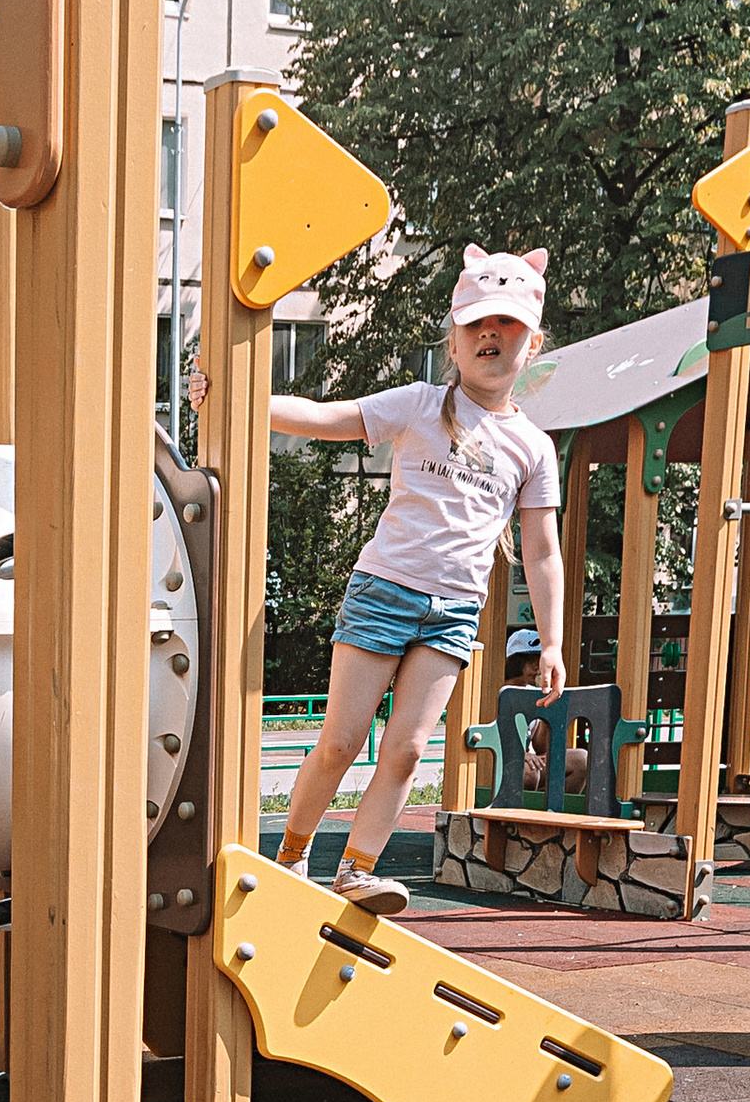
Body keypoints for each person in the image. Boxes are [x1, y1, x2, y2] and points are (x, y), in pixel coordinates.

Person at [216, 246, 565, 914]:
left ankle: (357, 870)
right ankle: (291, 855)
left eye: (509, 325)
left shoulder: (534, 448)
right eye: (476, 326)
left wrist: (548, 644)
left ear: (534, 344)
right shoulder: (419, 405)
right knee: (343, 741)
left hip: (455, 610)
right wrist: (243, 398)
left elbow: (541, 551)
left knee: (405, 752)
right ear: (455, 344)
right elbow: (329, 420)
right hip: (385, 591)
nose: (491, 335)